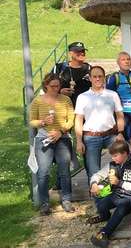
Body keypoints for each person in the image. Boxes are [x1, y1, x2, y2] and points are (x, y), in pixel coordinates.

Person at [29, 73, 75, 214]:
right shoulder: (37, 101)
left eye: (58, 85)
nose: (56, 88)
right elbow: (31, 121)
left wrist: (61, 131)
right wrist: (42, 122)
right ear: (46, 86)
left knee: (64, 171)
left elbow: (71, 120)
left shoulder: (66, 99)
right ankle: (44, 203)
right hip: (44, 138)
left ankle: (66, 200)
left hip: (62, 138)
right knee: (43, 172)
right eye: (52, 86)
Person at [75, 66, 125, 183]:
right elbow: (78, 120)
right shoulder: (82, 97)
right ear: (90, 78)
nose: (97, 79)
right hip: (91, 136)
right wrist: (79, 141)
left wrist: (121, 133)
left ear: (104, 78)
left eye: (100, 76)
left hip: (111, 135)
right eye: (95, 76)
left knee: (119, 164)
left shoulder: (112, 95)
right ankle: (97, 198)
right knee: (93, 171)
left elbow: (119, 115)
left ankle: (117, 193)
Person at [88, 141, 131, 248]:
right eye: (112, 156)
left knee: (120, 210)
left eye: (115, 155)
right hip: (115, 194)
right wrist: (94, 184)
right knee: (101, 204)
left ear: (125, 153)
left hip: (129, 198)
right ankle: (104, 216)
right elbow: (97, 175)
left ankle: (105, 233)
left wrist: (119, 183)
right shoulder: (111, 165)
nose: (113, 158)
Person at [53, 41, 91, 106]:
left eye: (83, 51)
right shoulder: (59, 68)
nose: (82, 53)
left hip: (85, 108)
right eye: (78, 51)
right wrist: (60, 92)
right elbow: (48, 86)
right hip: (63, 108)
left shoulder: (89, 69)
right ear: (70, 53)